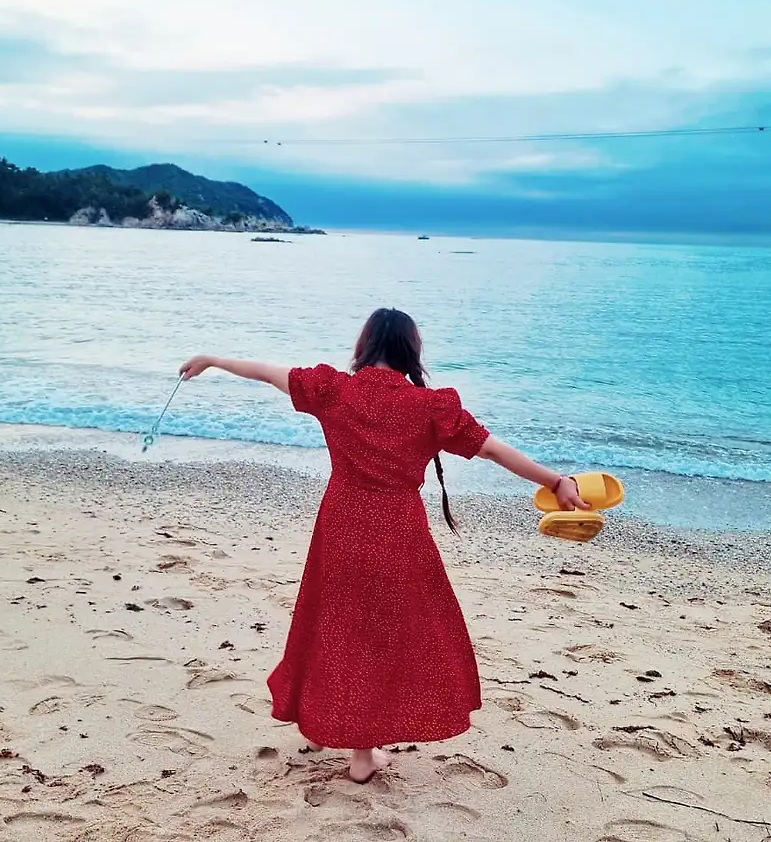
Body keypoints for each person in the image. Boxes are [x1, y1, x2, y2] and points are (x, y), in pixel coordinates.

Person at [179, 308, 587, 784]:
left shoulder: (333, 389)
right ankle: (361, 756)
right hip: (398, 532)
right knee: (378, 638)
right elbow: (494, 450)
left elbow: (268, 372)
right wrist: (556, 481)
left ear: (365, 344)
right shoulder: (430, 407)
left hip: (340, 525)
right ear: (411, 349)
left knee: (330, 624)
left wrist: (213, 359)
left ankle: (321, 725)